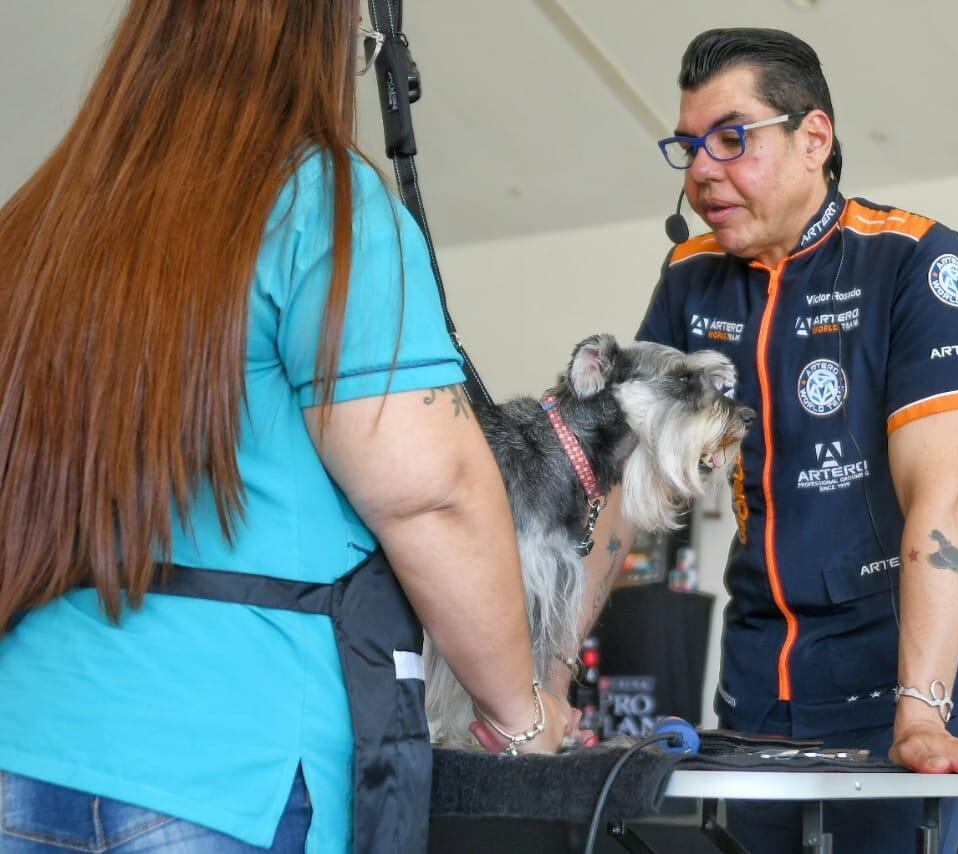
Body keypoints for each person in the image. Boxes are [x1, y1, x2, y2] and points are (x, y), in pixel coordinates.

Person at [0, 2, 570, 852]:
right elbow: (433, 498)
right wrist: (520, 713)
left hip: (24, 745)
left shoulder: (39, 221)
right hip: (226, 766)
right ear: (313, 37)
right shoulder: (320, 199)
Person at [568, 27, 958, 853]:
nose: (702, 169)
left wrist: (921, 717)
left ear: (814, 136)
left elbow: (943, 495)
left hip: (897, 671)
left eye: (730, 139)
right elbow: (619, 487)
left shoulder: (914, 261)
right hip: (761, 673)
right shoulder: (689, 280)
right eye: (688, 146)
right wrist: (545, 678)